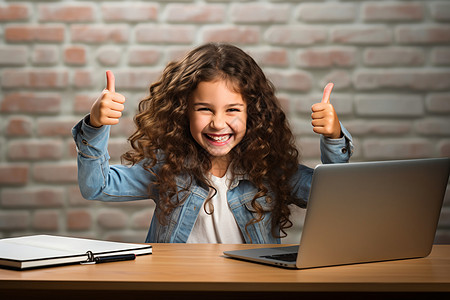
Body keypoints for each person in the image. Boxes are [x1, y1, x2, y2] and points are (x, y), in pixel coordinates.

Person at [72, 43, 353, 244]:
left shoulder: (271, 171)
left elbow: (334, 198)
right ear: (183, 112)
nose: (218, 123)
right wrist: (96, 126)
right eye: (205, 109)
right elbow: (97, 186)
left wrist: (333, 137)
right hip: (178, 287)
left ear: (251, 114)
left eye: (232, 110)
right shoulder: (167, 169)